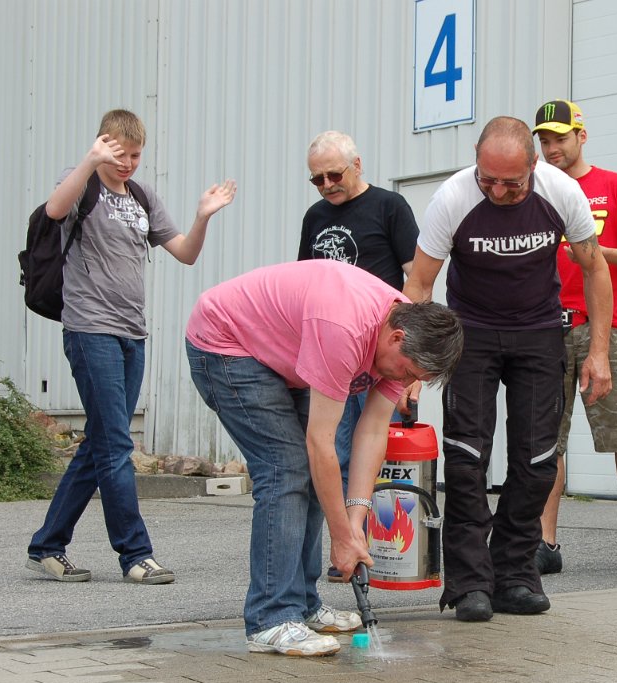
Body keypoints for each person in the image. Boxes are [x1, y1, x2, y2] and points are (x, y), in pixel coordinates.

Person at [185, 261, 462, 655]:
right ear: (397, 337)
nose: (404, 379)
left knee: (316, 477)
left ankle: (301, 603)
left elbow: (371, 433)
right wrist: (341, 538)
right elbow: (321, 443)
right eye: (407, 370)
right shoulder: (345, 330)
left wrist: (355, 520)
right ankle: (271, 618)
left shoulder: (403, 337)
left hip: (284, 351)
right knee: (287, 469)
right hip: (227, 343)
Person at [403, 116, 614, 622]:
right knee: (465, 455)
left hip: (540, 333)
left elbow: (595, 268)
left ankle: (515, 573)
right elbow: (420, 286)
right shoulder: (452, 198)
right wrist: (409, 369)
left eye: (511, 183)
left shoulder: (561, 193)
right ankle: (470, 583)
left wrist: (599, 351)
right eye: (488, 179)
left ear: (534, 165)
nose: (497, 191)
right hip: (470, 334)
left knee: (538, 458)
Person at [26, 108, 236, 586]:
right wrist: (88, 160)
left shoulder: (142, 197)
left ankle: (46, 546)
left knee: (100, 444)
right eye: (119, 154)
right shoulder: (81, 182)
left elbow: (184, 253)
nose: (128, 164)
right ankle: (135, 554)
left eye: (135, 155)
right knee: (117, 444)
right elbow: (53, 211)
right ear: (102, 144)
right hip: (89, 329)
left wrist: (202, 217)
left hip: (132, 333)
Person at [531, 99, 617, 574]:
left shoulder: (614, 186)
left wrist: (592, 250)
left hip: (602, 327)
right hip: (547, 327)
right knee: (549, 440)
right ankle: (546, 542)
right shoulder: (533, 191)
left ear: (581, 136)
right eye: (543, 141)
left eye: (559, 139)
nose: (551, 149)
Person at [297, 130, 420, 580]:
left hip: (379, 352)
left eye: (334, 174)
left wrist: (412, 369)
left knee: (362, 451)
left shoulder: (389, 207)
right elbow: (306, 281)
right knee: (327, 451)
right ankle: (339, 547)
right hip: (331, 350)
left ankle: (358, 542)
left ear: (358, 165)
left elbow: (416, 281)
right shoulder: (315, 216)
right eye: (317, 179)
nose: (327, 185)